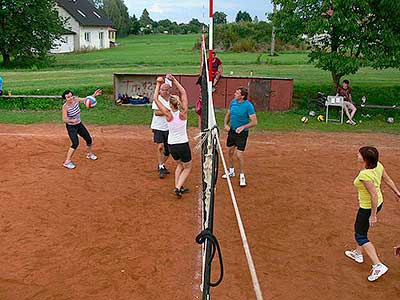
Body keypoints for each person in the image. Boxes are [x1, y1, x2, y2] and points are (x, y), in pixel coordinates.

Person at [345, 146, 400, 281]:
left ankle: (378, 265)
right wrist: (397, 192)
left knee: (360, 234)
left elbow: (373, 196)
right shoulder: (378, 166)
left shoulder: (365, 175)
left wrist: (373, 215)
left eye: (359, 154)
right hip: (378, 203)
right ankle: (358, 253)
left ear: (365, 159)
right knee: (361, 230)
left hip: (368, 208)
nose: (356, 155)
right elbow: (387, 180)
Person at [153, 75, 192, 199]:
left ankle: (178, 187)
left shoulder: (168, 114)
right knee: (188, 167)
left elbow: (155, 98)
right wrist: (174, 80)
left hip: (172, 145)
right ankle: (177, 188)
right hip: (183, 144)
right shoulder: (183, 113)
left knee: (180, 165)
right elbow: (183, 92)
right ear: (179, 102)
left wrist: (158, 84)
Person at [222, 87, 257, 187]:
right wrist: (225, 124)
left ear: (242, 96)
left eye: (237, 93)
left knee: (239, 155)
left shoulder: (248, 106)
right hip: (232, 131)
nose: (234, 94)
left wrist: (243, 127)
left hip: (242, 133)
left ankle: (242, 175)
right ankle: (231, 171)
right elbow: (228, 115)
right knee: (230, 151)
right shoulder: (233, 102)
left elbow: (254, 122)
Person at [61, 89, 102, 169]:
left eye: (71, 96)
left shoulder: (75, 99)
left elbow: (85, 100)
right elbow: (64, 119)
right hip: (71, 127)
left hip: (79, 124)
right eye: (68, 97)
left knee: (89, 139)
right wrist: (72, 120)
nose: (70, 98)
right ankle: (67, 162)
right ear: (65, 99)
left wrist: (94, 95)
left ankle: (89, 154)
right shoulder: (65, 107)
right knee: (75, 143)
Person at [150, 81, 172, 178]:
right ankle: (161, 166)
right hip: (158, 127)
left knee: (168, 150)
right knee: (160, 146)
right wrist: (168, 111)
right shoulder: (157, 99)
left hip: (169, 127)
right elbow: (157, 112)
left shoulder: (172, 99)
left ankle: (161, 164)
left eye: (165, 90)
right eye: (161, 90)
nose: (162, 91)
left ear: (168, 91)